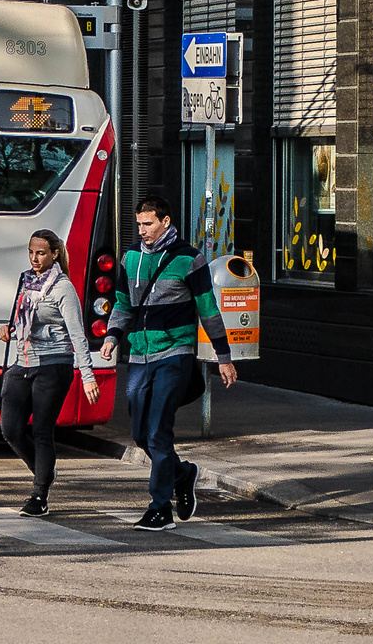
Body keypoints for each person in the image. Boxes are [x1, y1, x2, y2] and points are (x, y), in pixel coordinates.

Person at [101, 195, 237, 532]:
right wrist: (112, 336)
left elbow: (208, 309)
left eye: (148, 224)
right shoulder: (130, 258)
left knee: (159, 432)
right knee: (140, 434)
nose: (142, 230)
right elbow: (121, 304)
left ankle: (160, 508)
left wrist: (223, 357)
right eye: (139, 224)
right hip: (139, 356)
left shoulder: (190, 259)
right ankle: (183, 473)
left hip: (175, 353)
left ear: (165, 221)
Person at [0, 229, 100, 518]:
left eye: (41, 253)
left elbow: (78, 334)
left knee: (42, 430)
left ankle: (39, 494)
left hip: (54, 365)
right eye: (31, 252)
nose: (35, 258)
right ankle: (45, 470)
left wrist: (88, 375)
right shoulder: (26, 281)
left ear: (55, 254)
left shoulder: (62, 288)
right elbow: (21, 321)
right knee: (11, 428)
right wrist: (8, 330)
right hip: (22, 362)